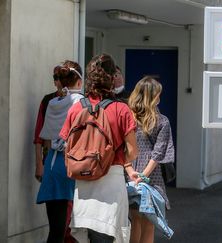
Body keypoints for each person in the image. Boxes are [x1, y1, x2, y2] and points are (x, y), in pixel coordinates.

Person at [59, 53, 140, 243]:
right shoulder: (121, 109)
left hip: (83, 183)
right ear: (112, 79)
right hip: (111, 182)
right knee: (108, 235)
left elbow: (66, 145)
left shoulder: (77, 108)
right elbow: (132, 151)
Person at [36, 60, 84, 243]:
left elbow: (46, 137)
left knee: (55, 228)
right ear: (78, 81)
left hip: (52, 165)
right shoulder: (81, 103)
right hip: (71, 167)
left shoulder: (53, 103)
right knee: (63, 229)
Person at [128, 76, 175, 243]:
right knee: (149, 223)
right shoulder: (162, 121)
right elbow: (158, 153)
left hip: (129, 173)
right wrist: (144, 176)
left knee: (135, 222)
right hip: (152, 177)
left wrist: (132, 173)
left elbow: (123, 146)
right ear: (153, 97)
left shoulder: (128, 117)